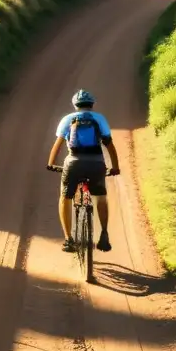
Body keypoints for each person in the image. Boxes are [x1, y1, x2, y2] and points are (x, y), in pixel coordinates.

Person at [46, 89, 120, 253]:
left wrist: (51, 164)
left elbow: (57, 145)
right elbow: (110, 145)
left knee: (65, 196)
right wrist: (115, 167)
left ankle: (68, 240)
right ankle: (104, 235)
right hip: (96, 164)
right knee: (101, 198)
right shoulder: (99, 119)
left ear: (75, 105)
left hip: (73, 163)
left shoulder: (67, 120)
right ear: (92, 105)